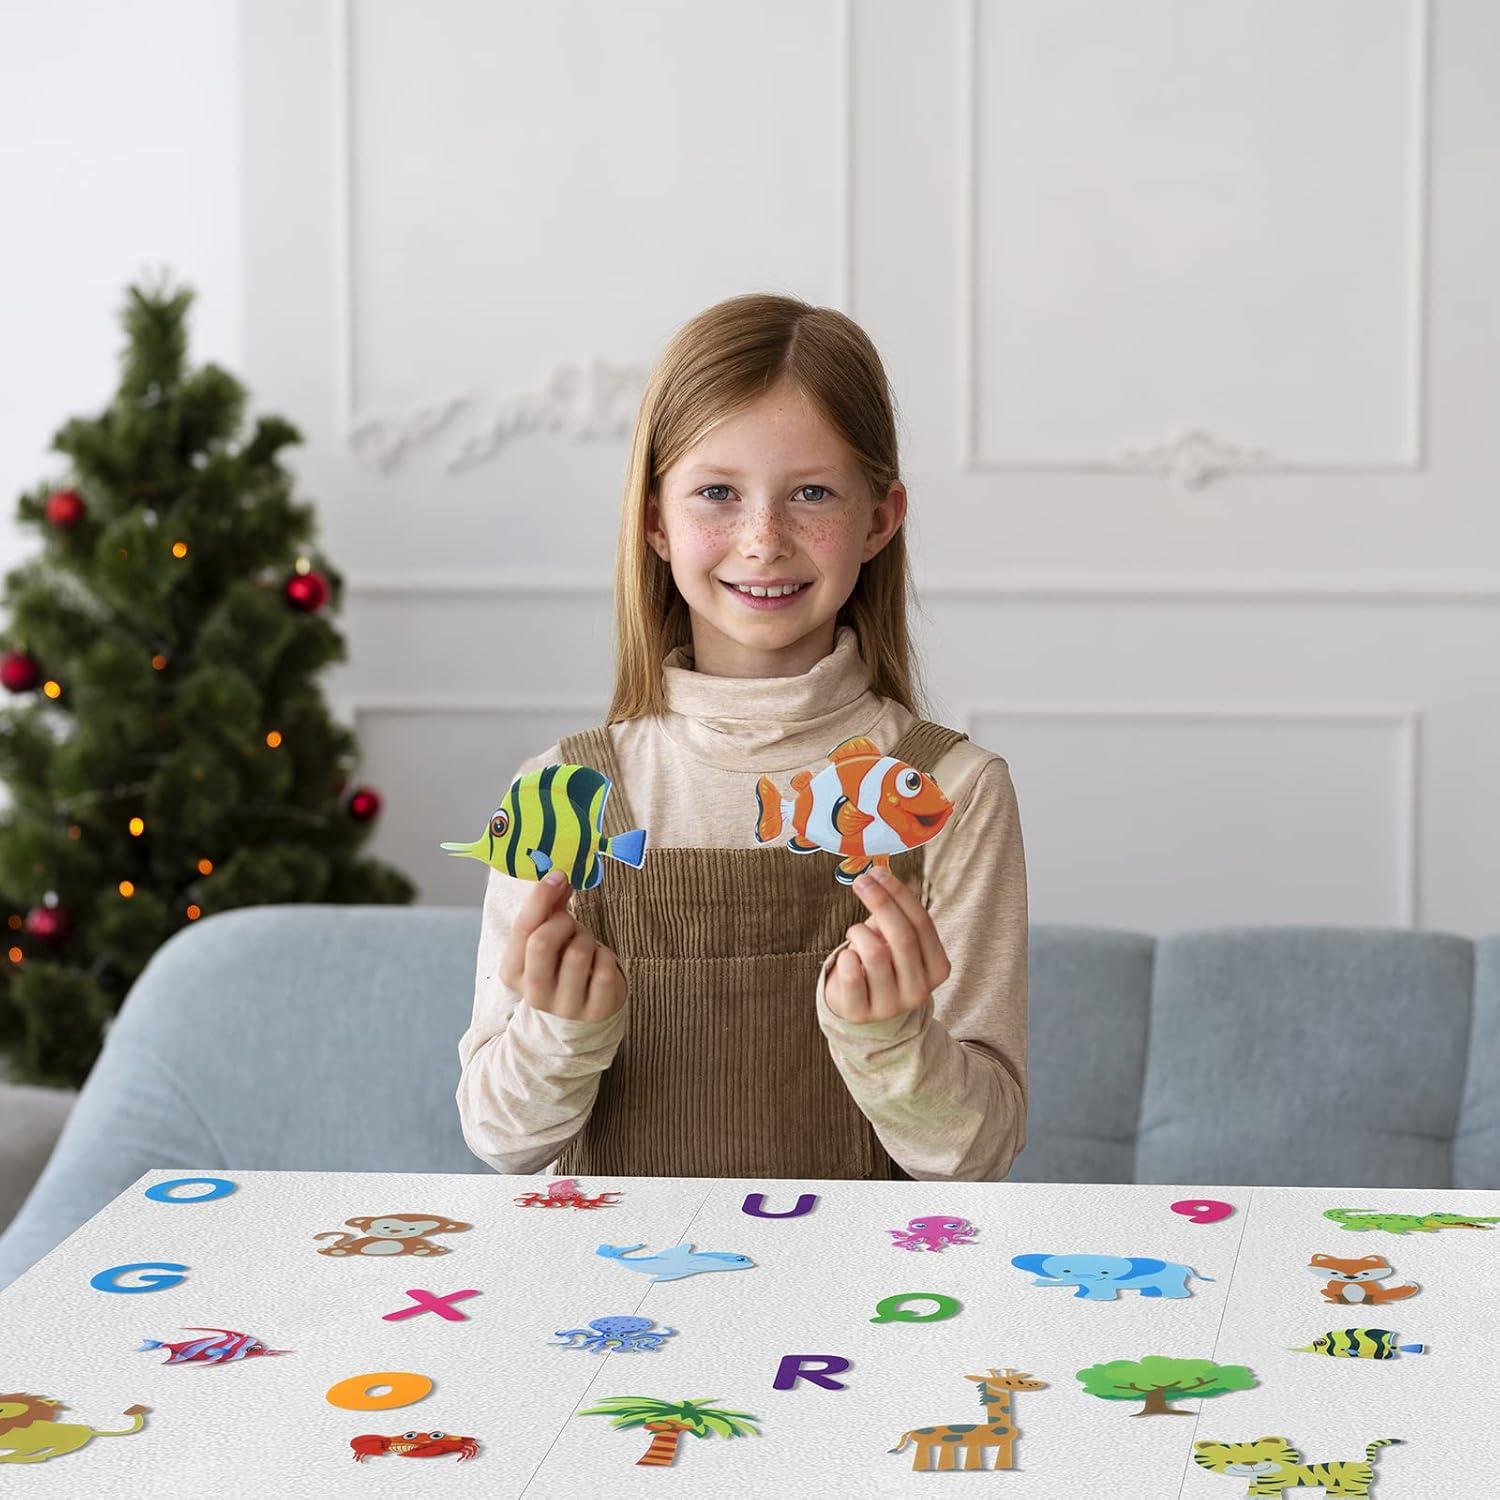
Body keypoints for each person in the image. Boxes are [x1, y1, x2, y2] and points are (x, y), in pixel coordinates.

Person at [456, 292, 1027, 1182]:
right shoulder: (566, 790)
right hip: (613, 1312)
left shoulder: (952, 789)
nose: (763, 541)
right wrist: (560, 1033)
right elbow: (499, 1138)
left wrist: (892, 1042)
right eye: (717, 493)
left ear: (880, 519)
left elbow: (976, 1156)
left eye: (811, 493)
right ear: (655, 521)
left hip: (867, 1306)